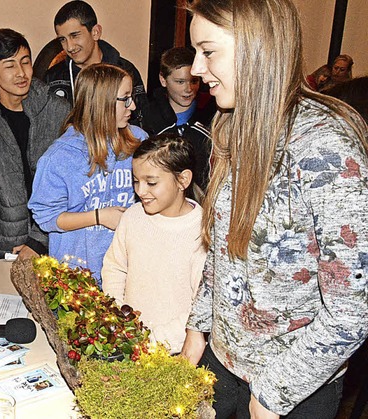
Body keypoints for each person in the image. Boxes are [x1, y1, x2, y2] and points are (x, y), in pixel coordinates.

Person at [180, 0, 368, 418]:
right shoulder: (230, 126)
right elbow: (223, 250)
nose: (195, 68)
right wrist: (197, 329)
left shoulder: (326, 148)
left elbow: (353, 312)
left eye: (208, 51)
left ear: (258, 46)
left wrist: (273, 393)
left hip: (295, 384)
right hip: (223, 362)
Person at [0, 29, 70, 265]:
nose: (21, 73)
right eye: (9, 66)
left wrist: (38, 241)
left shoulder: (56, 108)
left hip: (56, 235)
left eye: (25, 62)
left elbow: (65, 182)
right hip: (7, 242)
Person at [29, 63, 148, 286]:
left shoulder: (140, 141)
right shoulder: (59, 157)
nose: (132, 106)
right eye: (125, 98)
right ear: (101, 102)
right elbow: (46, 218)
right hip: (78, 280)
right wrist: (99, 216)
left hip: (129, 271)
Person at [102, 134, 206, 354]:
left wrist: (150, 340)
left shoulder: (202, 233)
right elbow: (115, 267)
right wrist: (119, 317)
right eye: (136, 181)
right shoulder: (133, 216)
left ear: (183, 180)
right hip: (127, 339)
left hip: (173, 352)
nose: (140, 191)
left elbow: (200, 307)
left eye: (151, 182)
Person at [44, 0, 152, 131]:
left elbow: (142, 121)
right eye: (63, 39)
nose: (69, 47)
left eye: (75, 36)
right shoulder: (53, 78)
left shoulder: (125, 70)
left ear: (95, 32)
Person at [147, 46, 216, 191]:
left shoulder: (212, 116)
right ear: (163, 80)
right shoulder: (148, 118)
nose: (188, 89)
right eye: (180, 82)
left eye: (194, 81)